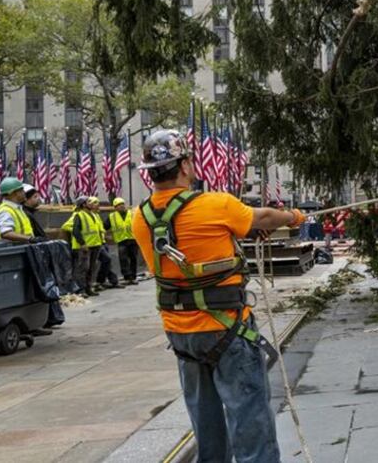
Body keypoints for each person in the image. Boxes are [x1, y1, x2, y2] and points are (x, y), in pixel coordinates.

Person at [131, 129, 306, 462]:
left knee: (206, 423)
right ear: (183, 166)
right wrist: (295, 217)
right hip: (227, 329)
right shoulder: (214, 204)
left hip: (183, 335)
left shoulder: (140, 218)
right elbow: (264, 217)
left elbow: (188, 246)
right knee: (250, 419)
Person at [0, 177, 38, 243]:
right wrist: (30, 239)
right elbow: (6, 233)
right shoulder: (5, 211)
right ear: (14, 193)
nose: (24, 192)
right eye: (21, 190)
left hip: (19, 249)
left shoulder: (17, 209)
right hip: (8, 251)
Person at [107, 197, 140, 285]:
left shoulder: (132, 213)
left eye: (122, 204)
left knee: (133, 258)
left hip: (132, 239)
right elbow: (105, 226)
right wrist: (106, 236)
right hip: (121, 240)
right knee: (123, 259)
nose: (121, 206)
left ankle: (133, 277)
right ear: (115, 207)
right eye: (118, 205)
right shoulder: (112, 216)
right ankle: (127, 277)